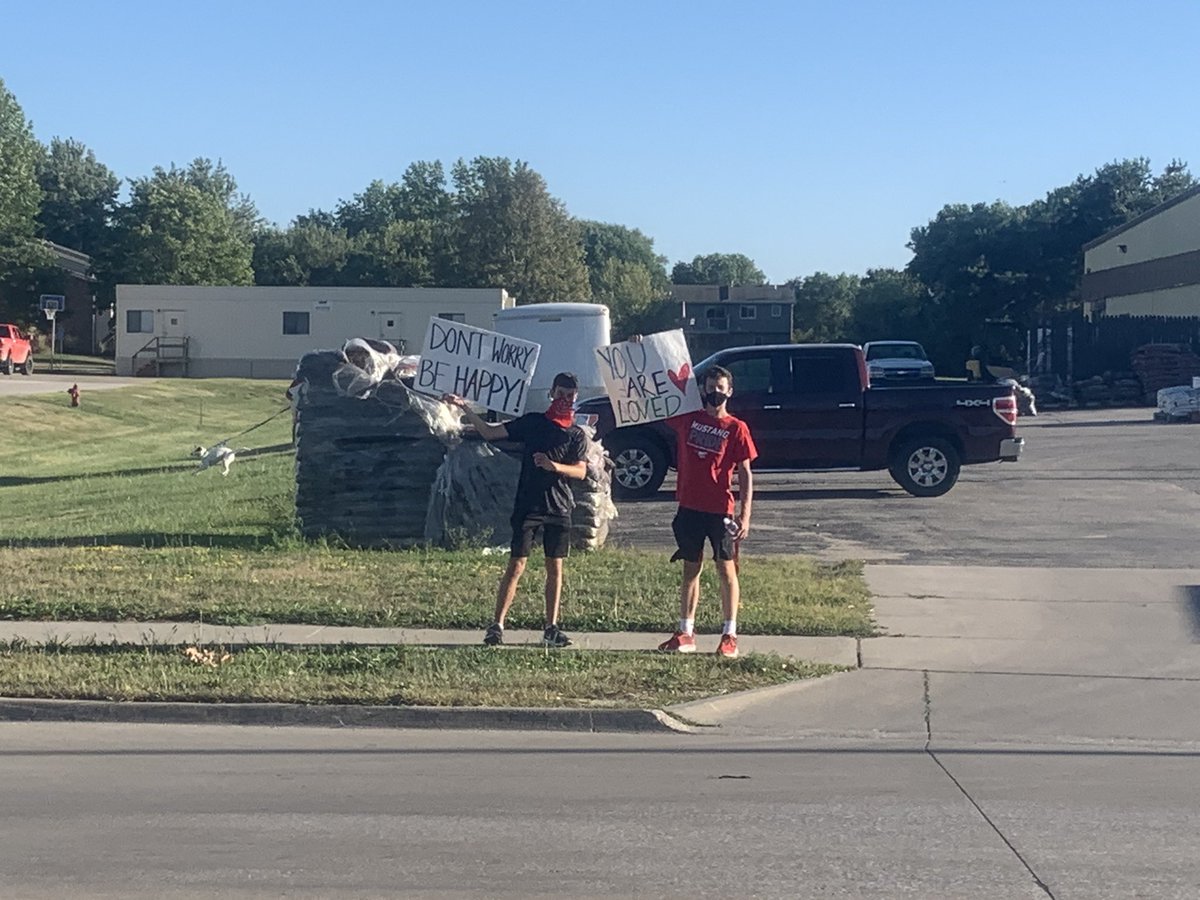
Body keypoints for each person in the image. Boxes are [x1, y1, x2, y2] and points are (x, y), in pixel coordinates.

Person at [442, 373, 588, 648]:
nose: (565, 400)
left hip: (558, 507)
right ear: (551, 393)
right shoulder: (533, 422)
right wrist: (464, 407)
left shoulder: (575, 434)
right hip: (528, 505)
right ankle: (497, 625)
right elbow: (490, 432)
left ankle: (551, 628)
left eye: (570, 396)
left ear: (575, 397)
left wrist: (553, 466)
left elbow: (580, 471)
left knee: (555, 568)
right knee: (516, 565)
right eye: (560, 394)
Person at [657, 364, 757, 658]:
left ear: (730, 391)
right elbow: (657, 394)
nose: (715, 392)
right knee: (691, 568)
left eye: (720, 387)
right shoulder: (688, 419)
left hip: (720, 510)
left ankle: (729, 634)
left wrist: (745, 514)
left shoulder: (736, 428)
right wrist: (641, 351)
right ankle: (686, 632)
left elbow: (746, 472)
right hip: (689, 507)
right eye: (710, 387)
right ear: (703, 389)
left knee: (726, 569)